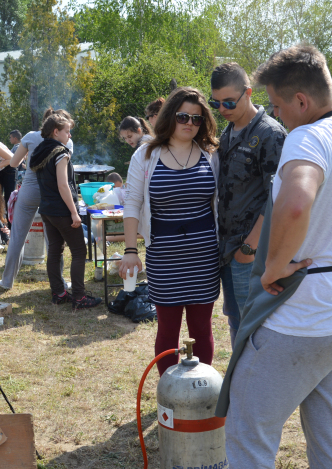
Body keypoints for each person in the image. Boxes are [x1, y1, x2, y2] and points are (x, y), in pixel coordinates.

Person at [218, 44, 332, 468]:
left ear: (301, 100)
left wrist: (273, 264)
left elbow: (296, 202)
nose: (276, 115)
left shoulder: (308, 138)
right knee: (330, 430)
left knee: (247, 430)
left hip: (306, 316)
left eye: (277, 105)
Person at [119, 87, 221, 376]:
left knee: (202, 328)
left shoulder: (211, 154)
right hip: (164, 255)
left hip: (204, 256)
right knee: (168, 329)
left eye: (197, 119)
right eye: (183, 116)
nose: (190, 123)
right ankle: (169, 390)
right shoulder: (146, 154)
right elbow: (132, 203)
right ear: (170, 116)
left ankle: (200, 392)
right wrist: (130, 251)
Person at [209, 62, 286, 346]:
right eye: (215, 102)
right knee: (237, 324)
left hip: (250, 253)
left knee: (255, 329)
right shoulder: (228, 132)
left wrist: (249, 248)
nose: (222, 108)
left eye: (229, 101)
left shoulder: (270, 134)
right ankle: (241, 386)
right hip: (228, 250)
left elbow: (277, 197)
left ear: (249, 93)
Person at [0, 108, 74, 290]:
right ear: (57, 128)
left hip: (29, 190)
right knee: (54, 241)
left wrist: (26, 157)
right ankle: (59, 282)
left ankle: (6, 281)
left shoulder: (31, 136)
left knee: (17, 237)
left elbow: (14, 163)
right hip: (51, 193)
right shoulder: (67, 141)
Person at [31, 113, 102, 309]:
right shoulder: (59, 152)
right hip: (62, 210)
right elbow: (63, 185)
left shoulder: (39, 150)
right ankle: (79, 298)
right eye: (67, 132)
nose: (69, 136)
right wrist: (74, 212)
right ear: (56, 132)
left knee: (55, 250)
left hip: (47, 210)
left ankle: (58, 293)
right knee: (79, 251)